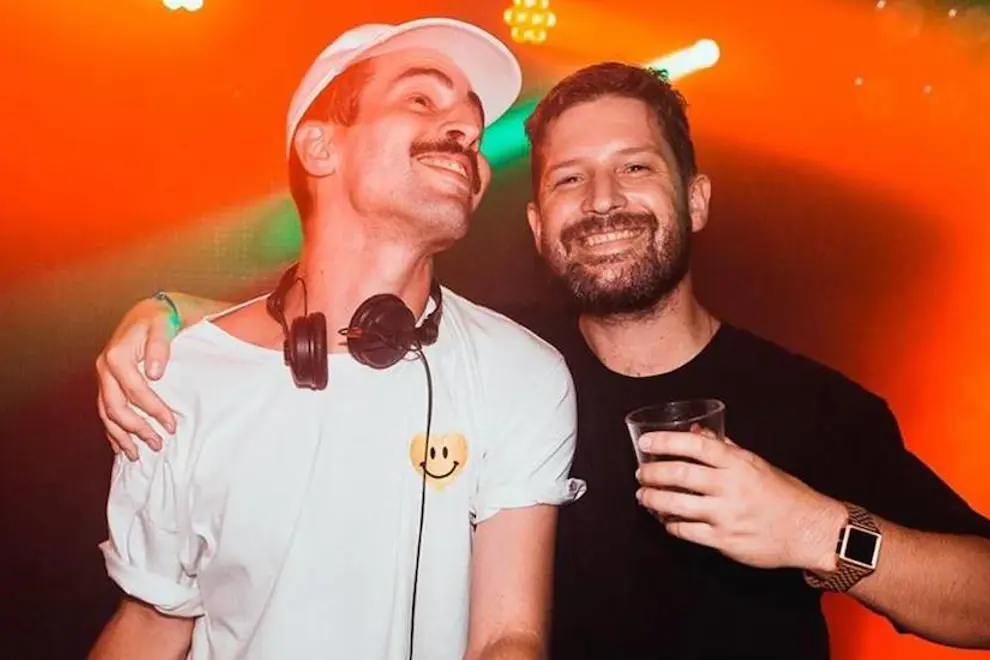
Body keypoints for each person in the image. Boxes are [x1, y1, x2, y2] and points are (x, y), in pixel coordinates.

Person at [94, 61, 990, 658]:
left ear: (697, 200)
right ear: (535, 223)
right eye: (568, 178)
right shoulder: (505, 362)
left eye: (636, 169)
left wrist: (817, 532)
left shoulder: (813, 404)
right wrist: (169, 313)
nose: (601, 201)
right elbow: (345, 321)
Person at [88, 18, 586, 660]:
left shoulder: (520, 372)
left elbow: (506, 637)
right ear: (320, 147)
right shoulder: (175, 377)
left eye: (474, 125)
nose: (466, 131)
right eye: (421, 98)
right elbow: (152, 625)